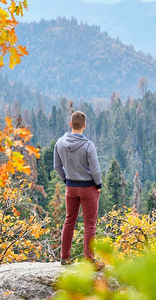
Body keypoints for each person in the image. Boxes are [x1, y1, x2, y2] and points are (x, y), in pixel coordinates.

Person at [53, 111, 105, 271]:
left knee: (69, 220)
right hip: (88, 187)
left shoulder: (60, 143)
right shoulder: (88, 145)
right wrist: (99, 185)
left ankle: (64, 257)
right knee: (89, 223)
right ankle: (89, 260)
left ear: (70, 124)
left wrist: (66, 179)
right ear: (84, 125)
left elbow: (56, 166)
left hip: (71, 187)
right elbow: (95, 171)